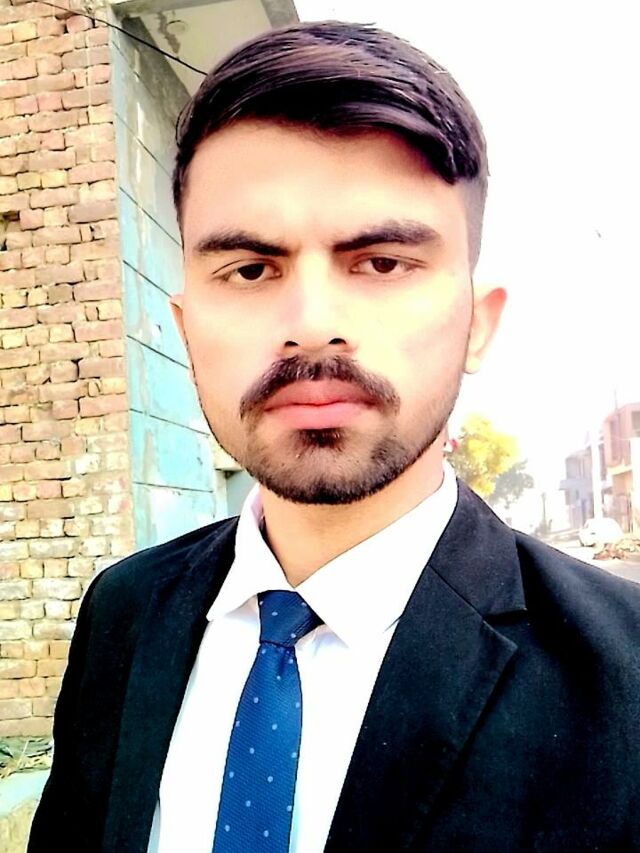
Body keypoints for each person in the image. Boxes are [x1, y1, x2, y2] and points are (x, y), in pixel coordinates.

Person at [28, 21, 640, 853]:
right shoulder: (123, 614)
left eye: (382, 262)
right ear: (183, 325)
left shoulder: (623, 675)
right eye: (250, 269)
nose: (311, 324)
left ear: (477, 323)